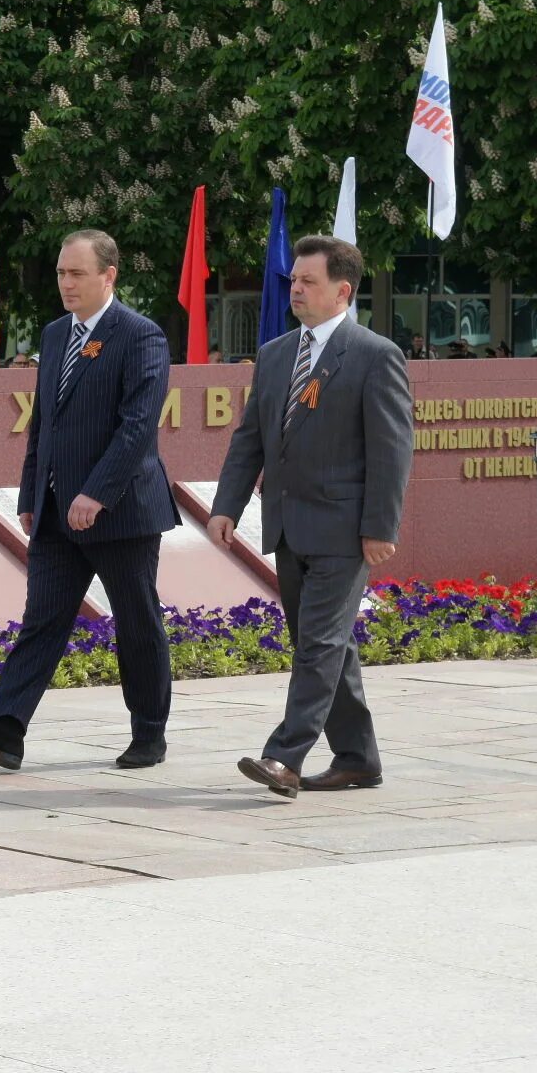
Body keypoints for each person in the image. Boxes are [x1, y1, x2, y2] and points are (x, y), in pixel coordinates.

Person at [0, 229, 178, 773]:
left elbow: (137, 426)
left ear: (109, 275)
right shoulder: (54, 336)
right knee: (42, 620)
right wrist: (31, 492)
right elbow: (42, 423)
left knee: (136, 622)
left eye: (77, 274)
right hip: (54, 512)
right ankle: (6, 729)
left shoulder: (140, 336)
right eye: (60, 273)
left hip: (120, 512)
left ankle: (149, 732)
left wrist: (97, 491)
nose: (66, 284)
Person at [207, 235, 413, 798]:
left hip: (346, 531)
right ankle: (357, 758)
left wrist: (380, 527)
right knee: (326, 644)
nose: (295, 289)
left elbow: (391, 451)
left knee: (319, 644)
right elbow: (250, 438)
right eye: (293, 280)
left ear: (342, 290)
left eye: (308, 282)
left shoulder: (374, 355)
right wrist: (226, 506)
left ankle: (284, 757)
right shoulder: (275, 355)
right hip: (288, 527)